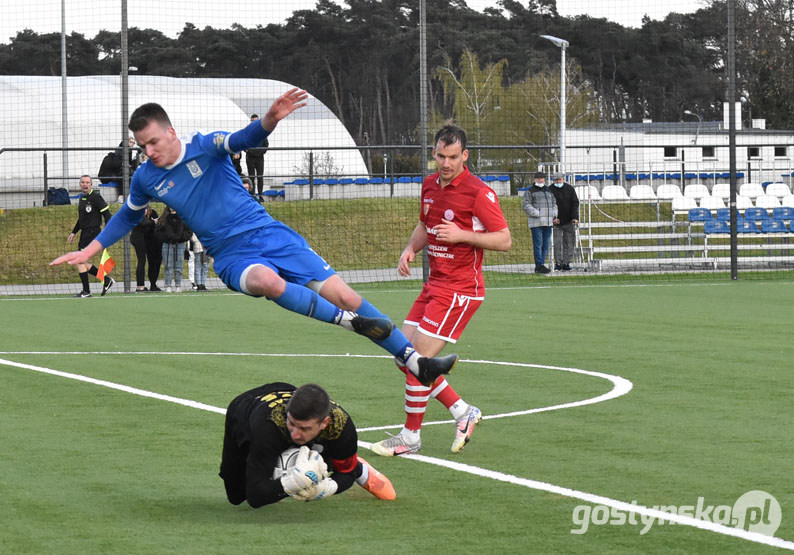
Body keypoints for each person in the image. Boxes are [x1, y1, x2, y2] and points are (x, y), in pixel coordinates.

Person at [50, 88, 456, 385]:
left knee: (348, 296)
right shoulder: (146, 177)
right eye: (142, 146)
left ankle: (415, 361)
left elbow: (242, 140)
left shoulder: (205, 146)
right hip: (229, 255)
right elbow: (125, 217)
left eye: (153, 142)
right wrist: (91, 247)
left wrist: (270, 119)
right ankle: (352, 326)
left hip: (270, 233)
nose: (149, 151)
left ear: (171, 132)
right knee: (268, 282)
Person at [370, 124, 512, 457]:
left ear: (465, 156)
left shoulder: (479, 192)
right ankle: (463, 412)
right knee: (403, 357)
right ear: (433, 154)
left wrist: (464, 235)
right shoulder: (430, 185)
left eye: (452, 157)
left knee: (418, 359)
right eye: (440, 156)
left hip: (461, 289)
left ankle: (410, 437)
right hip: (434, 285)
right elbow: (425, 224)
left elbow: (504, 240)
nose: (445, 163)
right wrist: (410, 249)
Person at [220, 382, 396, 508]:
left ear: (325, 422)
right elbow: (254, 496)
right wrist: (291, 484)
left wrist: (326, 488)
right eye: (292, 423)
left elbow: (347, 475)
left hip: (299, 423)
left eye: (304, 428)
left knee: (344, 465)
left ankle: (357, 464)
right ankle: (318, 458)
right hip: (243, 411)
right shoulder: (268, 427)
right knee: (237, 496)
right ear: (288, 412)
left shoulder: (341, 426)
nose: (296, 433)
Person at [66, 175, 114, 297]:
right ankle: (106, 280)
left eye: (87, 182)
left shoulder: (96, 197)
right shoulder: (82, 198)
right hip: (85, 233)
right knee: (82, 262)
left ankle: (86, 291)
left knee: (79, 260)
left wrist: (108, 232)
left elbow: (107, 214)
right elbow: (81, 219)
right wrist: (74, 232)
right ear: (80, 184)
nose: (85, 184)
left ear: (91, 184)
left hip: (93, 232)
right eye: (82, 182)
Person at [522, 171, 557, 274]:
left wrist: (554, 214)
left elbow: (554, 204)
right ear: (535, 179)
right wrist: (537, 213)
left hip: (548, 222)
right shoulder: (530, 191)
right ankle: (538, 265)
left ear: (544, 179)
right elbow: (525, 205)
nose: (540, 180)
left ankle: (541, 264)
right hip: (536, 222)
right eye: (538, 178)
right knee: (538, 244)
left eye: (542, 178)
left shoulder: (549, 191)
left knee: (545, 245)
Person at [154, 205, 192, 292]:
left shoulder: (184, 218)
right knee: (168, 265)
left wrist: (181, 237)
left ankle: (178, 285)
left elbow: (189, 231)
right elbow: (157, 232)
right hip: (167, 244)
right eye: (171, 206)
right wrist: (166, 237)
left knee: (179, 265)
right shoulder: (163, 218)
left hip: (180, 244)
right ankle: (168, 285)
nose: (172, 208)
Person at [550, 174, 579, 271]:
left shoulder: (570, 189)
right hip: (556, 222)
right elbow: (548, 206)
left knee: (569, 242)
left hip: (569, 221)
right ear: (553, 180)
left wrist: (575, 217)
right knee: (557, 243)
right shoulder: (549, 190)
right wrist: (553, 218)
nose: (558, 182)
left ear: (563, 179)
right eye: (556, 180)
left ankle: (566, 263)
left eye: (560, 180)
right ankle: (558, 263)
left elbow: (575, 203)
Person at [129, 205, 160, 292]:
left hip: (146, 239)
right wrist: (154, 222)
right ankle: (140, 286)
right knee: (141, 261)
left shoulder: (151, 212)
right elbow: (143, 222)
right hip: (138, 239)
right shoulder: (137, 212)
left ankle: (149, 285)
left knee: (149, 261)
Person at [245, 114, 268, 202]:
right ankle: (253, 195)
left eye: (256, 121)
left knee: (260, 177)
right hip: (250, 158)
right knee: (251, 177)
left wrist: (260, 152)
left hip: (260, 158)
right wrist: (248, 151)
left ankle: (260, 195)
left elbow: (266, 145)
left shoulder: (263, 132)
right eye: (253, 121)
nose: (254, 122)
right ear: (250, 122)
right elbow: (243, 143)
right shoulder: (247, 131)